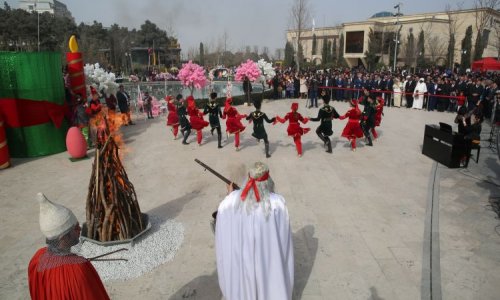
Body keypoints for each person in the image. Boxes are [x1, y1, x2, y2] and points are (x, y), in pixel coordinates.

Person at [215, 162, 294, 300]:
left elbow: (223, 212)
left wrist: (229, 194)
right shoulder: (277, 204)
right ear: (268, 180)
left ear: (249, 178)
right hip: (269, 258)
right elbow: (284, 237)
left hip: (243, 259)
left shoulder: (232, 201)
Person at [29, 193, 110, 299]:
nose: (80, 230)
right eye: (76, 228)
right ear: (63, 237)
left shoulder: (37, 259)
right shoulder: (80, 269)